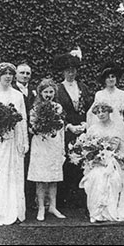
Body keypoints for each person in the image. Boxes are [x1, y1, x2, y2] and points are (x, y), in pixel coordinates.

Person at [79, 102, 124, 223]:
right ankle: (98, 211)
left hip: (115, 161)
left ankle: (111, 210)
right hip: (98, 162)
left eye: (104, 111)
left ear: (109, 112)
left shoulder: (118, 127)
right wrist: (95, 158)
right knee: (96, 176)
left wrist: (111, 157)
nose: (101, 114)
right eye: (98, 112)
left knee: (113, 178)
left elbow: (121, 149)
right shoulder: (92, 129)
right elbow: (87, 149)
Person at [0, 62, 29, 226]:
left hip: (14, 137)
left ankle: (15, 210)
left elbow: (23, 119)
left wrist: (24, 141)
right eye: (5, 74)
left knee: (14, 173)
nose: (8, 77)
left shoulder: (17, 96)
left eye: (11, 74)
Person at [86, 61, 124, 187]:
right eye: (108, 77)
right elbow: (94, 114)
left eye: (113, 76)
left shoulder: (123, 94)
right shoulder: (99, 94)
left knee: (123, 158)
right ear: (104, 80)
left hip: (120, 129)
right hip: (104, 128)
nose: (111, 79)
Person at [54, 50, 93, 208]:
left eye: (73, 69)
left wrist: (85, 124)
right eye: (68, 70)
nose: (71, 73)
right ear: (63, 71)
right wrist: (69, 126)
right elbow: (57, 111)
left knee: (83, 160)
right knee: (67, 163)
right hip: (66, 130)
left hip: (82, 130)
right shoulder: (57, 89)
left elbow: (90, 108)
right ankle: (65, 200)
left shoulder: (83, 87)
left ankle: (81, 199)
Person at [27, 78, 67, 221]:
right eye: (45, 92)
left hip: (54, 143)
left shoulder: (58, 107)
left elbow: (61, 128)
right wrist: (38, 128)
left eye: (51, 92)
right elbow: (31, 128)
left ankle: (53, 206)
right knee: (41, 177)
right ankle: (41, 208)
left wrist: (62, 148)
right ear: (40, 93)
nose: (48, 94)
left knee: (53, 176)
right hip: (40, 144)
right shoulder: (35, 109)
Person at [12, 63, 37, 211]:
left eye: (28, 73)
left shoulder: (34, 91)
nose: (25, 76)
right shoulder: (12, 90)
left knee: (31, 165)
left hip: (33, 132)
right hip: (18, 132)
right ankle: (18, 199)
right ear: (16, 75)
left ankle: (30, 200)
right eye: (22, 73)